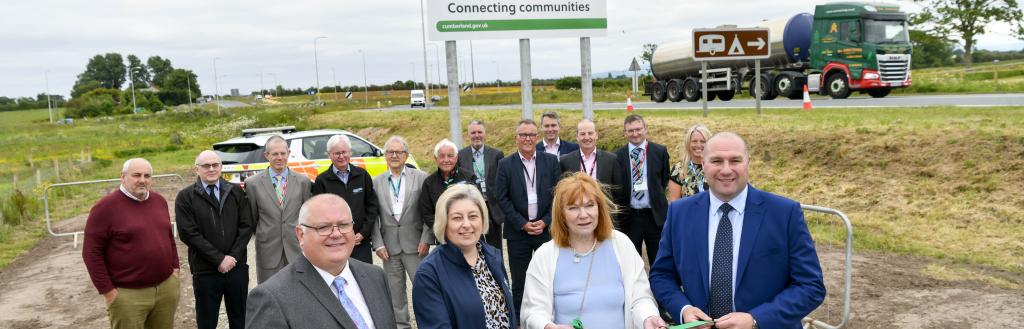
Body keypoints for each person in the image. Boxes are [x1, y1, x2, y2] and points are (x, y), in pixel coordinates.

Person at [649, 132, 826, 329]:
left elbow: (811, 286)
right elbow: (661, 276)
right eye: (716, 161)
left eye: (735, 160)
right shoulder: (680, 213)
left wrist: (756, 319)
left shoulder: (784, 214)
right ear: (703, 164)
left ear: (748, 162)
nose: (726, 170)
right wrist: (683, 310)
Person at [521, 172, 667, 329]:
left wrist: (648, 317)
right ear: (561, 214)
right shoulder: (545, 256)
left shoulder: (621, 244)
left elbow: (640, 297)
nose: (583, 215)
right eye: (573, 208)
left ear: (599, 208)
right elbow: (532, 311)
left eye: (589, 205)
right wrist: (547, 326)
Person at [245, 194, 397, 329]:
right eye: (324, 227)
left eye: (344, 225)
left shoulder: (376, 276)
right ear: (300, 234)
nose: (336, 234)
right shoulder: (272, 297)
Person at [83, 158, 180, 328]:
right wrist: (109, 292)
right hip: (128, 295)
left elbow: (169, 237)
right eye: (136, 175)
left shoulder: (159, 201)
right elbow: (91, 253)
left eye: (147, 175)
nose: (142, 180)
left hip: (165, 288)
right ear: (123, 176)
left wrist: (175, 269)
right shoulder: (105, 208)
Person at [412, 184, 517, 329]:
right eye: (457, 218)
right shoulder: (429, 274)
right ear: (444, 223)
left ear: (482, 219)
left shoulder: (492, 256)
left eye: (473, 216)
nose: (467, 224)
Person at [175, 151, 254, 329]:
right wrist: (218, 259)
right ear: (196, 169)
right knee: (207, 321)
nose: (211, 169)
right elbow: (188, 233)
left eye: (215, 165)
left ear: (221, 167)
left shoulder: (235, 191)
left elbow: (246, 226)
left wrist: (232, 257)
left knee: (240, 319)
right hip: (206, 271)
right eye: (206, 166)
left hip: (236, 267)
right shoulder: (185, 197)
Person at [495, 118, 562, 312]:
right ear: (516, 138)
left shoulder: (550, 161)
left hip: (545, 230)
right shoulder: (505, 164)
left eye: (531, 134)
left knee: (548, 277)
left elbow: (558, 195)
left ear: (537, 137)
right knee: (520, 281)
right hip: (518, 234)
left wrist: (547, 221)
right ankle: (520, 320)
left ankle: (549, 316)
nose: (527, 138)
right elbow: (502, 197)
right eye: (523, 135)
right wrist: (522, 223)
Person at [371, 136, 430, 329]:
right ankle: (402, 325)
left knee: (424, 289)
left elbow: (429, 211)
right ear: (385, 156)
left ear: (406, 155)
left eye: (399, 152)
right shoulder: (376, 182)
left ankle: (429, 323)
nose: (394, 155)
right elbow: (373, 216)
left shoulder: (421, 177)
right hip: (389, 247)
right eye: (390, 152)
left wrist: (426, 238)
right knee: (395, 294)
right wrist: (378, 243)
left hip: (416, 245)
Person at [246, 135, 312, 283]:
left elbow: (307, 217)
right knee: (270, 294)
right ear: (266, 155)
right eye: (275, 154)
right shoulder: (253, 184)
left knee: (299, 292)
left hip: (296, 248)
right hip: (268, 250)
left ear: (288, 153)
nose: (279, 157)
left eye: (283, 153)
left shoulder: (303, 182)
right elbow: (253, 217)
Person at [312, 134, 380, 264]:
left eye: (344, 152)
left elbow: (372, 206)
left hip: (361, 242)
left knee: (363, 279)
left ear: (350, 152)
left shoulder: (362, 175)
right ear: (329, 155)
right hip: (335, 244)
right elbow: (319, 215)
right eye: (337, 153)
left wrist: (364, 233)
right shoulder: (322, 181)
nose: (341, 156)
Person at [615, 114, 670, 264]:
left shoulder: (660, 151)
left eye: (638, 129)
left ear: (645, 129)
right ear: (625, 132)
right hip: (630, 216)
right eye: (630, 130)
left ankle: (657, 287)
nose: (635, 134)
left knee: (659, 259)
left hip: (654, 215)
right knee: (630, 261)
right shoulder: (617, 156)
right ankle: (635, 288)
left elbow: (663, 179)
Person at [559, 118, 627, 228]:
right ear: (577, 137)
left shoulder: (611, 159)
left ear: (596, 135)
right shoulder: (565, 161)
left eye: (590, 133)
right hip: (578, 218)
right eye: (582, 134)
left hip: (605, 216)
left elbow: (618, 192)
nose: (587, 137)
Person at [457, 120, 506, 251]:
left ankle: (496, 271)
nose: (476, 135)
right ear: (468, 135)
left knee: (494, 248)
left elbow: (502, 181)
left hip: (492, 207)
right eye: (473, 132)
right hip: (471, 205)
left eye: (480, 132)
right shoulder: (460, 155)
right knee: (472, 245)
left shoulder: (496, 154)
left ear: (485, 134)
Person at [418, 139, 475, 241]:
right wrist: (445, 228)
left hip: (467, 233)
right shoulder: (429, 183)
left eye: (450, 155)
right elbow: (426, 213)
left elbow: (476, 207)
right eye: (442, 156)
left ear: (456, 158)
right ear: (436, 159)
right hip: (443, 236)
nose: (446, 160)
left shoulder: (469, 178)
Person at [668, 124, 712, 201]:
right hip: (687, 213)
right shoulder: (679, 169)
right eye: (694, 141)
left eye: (703, 141)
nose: (698, 145)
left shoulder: (716, 167)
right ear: (688, 144)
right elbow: (674, 202)